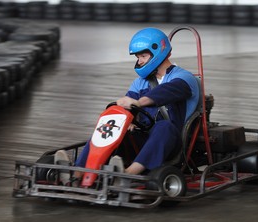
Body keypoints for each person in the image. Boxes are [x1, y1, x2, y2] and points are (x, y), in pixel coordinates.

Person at [56, 27, 199, 182]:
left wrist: (138, 103)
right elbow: (126, 107)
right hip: (142, 141)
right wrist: (127, 119)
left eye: (143, 56)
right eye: (138, 57)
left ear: (159, 52)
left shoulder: (184, 78)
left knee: (164, 126)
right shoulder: (140, 83)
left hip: (170, 143)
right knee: (109, 128)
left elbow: (166, 92)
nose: (140, 61)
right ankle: (77, 173)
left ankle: (129, 173)